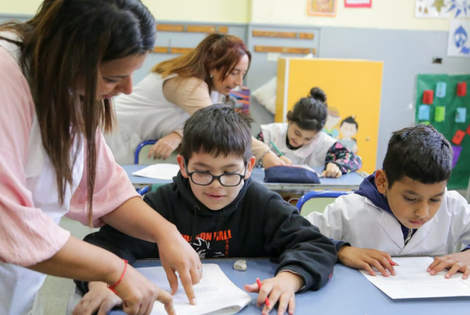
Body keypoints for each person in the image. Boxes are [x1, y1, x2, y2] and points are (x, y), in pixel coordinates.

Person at [0, 1, 203, 314]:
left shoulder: (70, 88)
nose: (127, 88)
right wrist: (115, 270)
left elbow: (104, 189)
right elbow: (8, 224)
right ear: (68, 57)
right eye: (112, 77)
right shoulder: (7, 78)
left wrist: (166, 232)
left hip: (23, 280)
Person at [74, 105, 338, 315]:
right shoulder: (162, 205)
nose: (217, 185)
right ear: (183, 165)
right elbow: (102, 248)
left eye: (229, 173)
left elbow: (315, 245)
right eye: (202, 172)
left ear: (249, 167)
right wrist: (101, 285)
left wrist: (288, 280)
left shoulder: (262, 204)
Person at [307, 125, 470, 279]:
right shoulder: (348, 210)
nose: (423, 212)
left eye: (435, 199)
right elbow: (299, 237)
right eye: (410, 199)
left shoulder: (453, 206)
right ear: (383, 182)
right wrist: (340, 250)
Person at [104, 33, 286, 168]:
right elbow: (220, 126)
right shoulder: (188, 84)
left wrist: (178, 134)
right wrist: (265, 155)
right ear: (213, 66)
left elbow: (201, 120)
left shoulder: (213, 87)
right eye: (234, 72)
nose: (239, 82)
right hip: (116, 136)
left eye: (243, 74)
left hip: (136, 143)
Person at [257, 87, 362, 178]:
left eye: (308, 138)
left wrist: (337, 166)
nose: (299, 140)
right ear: (290, 119)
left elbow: (355, 160)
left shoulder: (325, 143)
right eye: (297, 133)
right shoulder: (269, 134)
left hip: (307, 197)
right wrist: (266, 158)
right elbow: (245, 156)